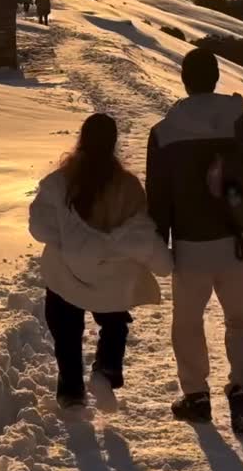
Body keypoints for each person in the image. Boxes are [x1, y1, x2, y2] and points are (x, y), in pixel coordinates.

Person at [146, 48, 243, 434]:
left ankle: (196, 397)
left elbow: (157, 200)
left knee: (188, 323)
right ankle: (241, 395)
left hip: (191, 247)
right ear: (216, 77)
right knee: (240, 321)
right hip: (241, 243)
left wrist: (157, 247)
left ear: (185, 81)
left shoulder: (164, 133)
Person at [29, 113, 172, 408]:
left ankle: (71, 393)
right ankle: (105, 371)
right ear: (113, 143)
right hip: (112, 278)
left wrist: (68, 243)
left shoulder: (59, 182)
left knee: (65, 326)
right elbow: (142, 234)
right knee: (115, 321)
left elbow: (39, 228)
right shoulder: (129, 186)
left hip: (67, 273)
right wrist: (163, 264)